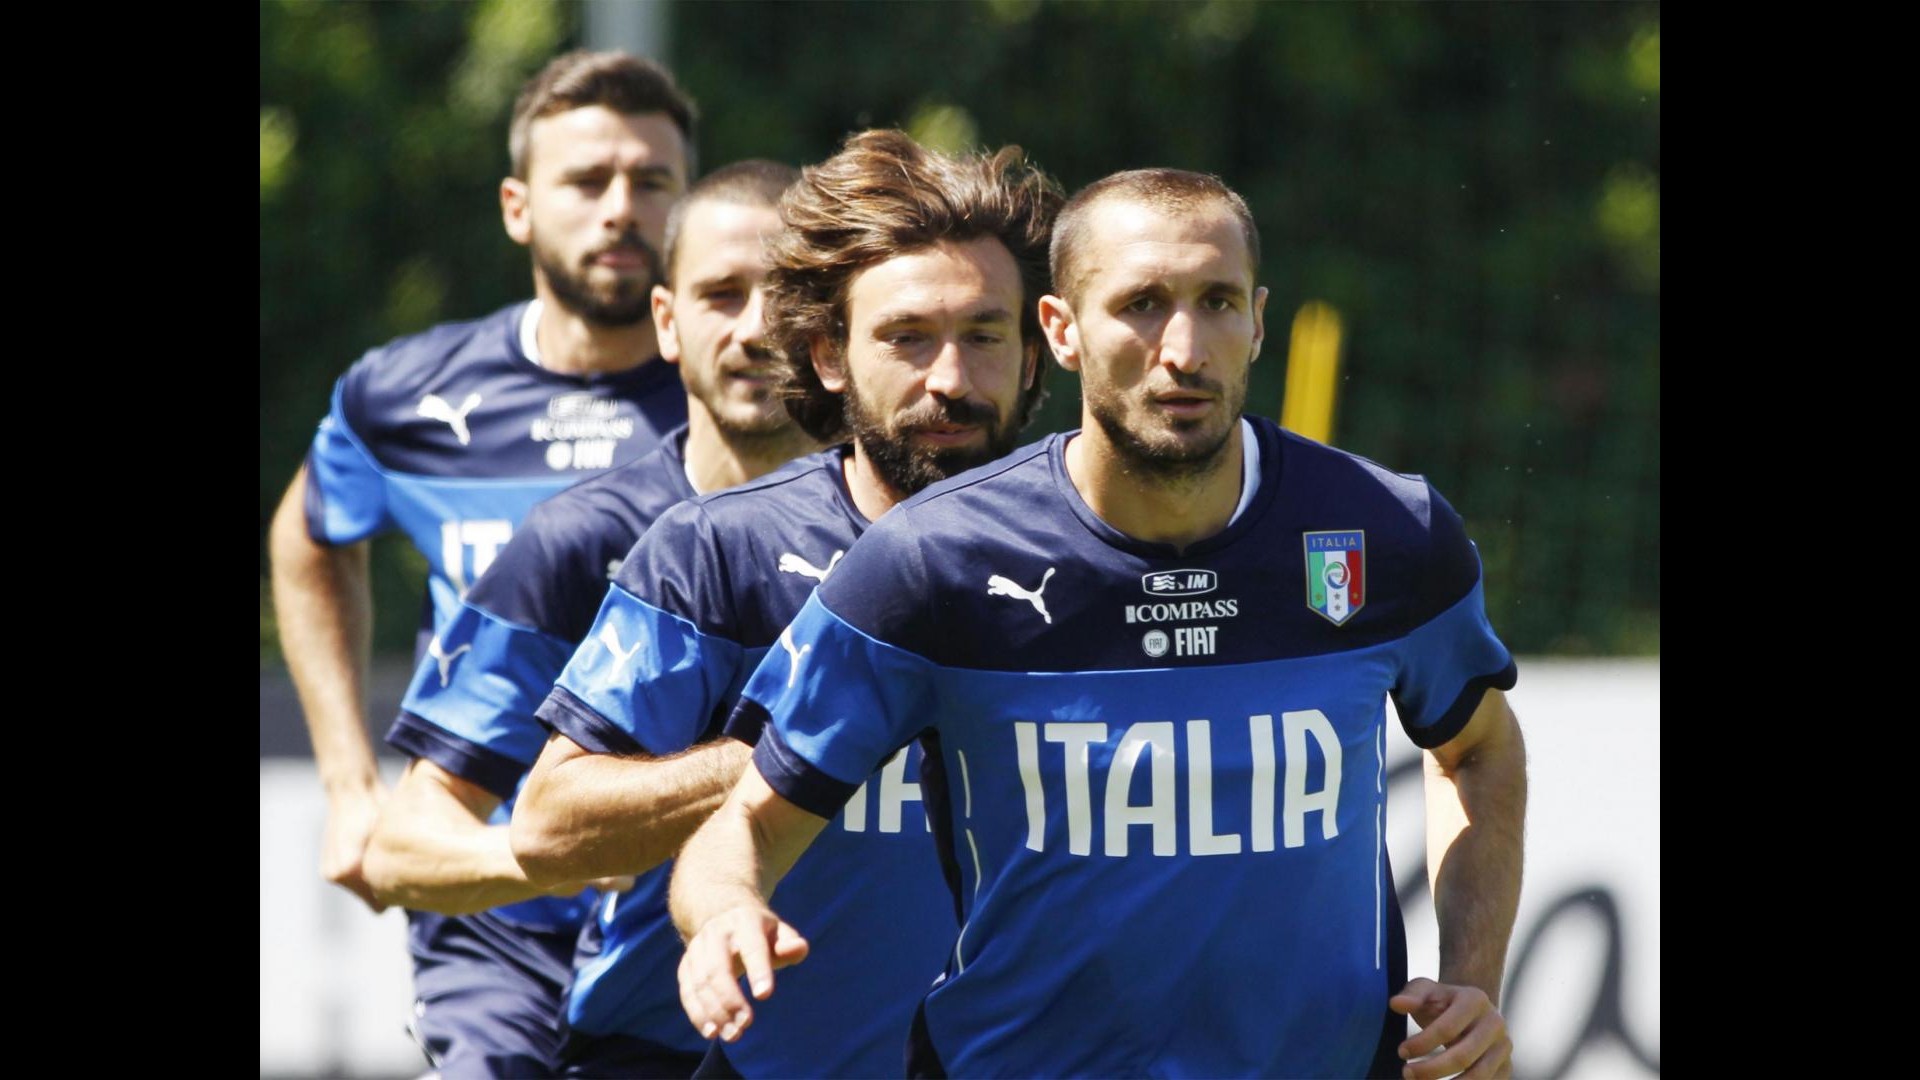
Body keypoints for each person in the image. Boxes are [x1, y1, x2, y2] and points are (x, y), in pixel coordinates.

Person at [670, 168, 1529, 1080]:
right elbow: (746, 829)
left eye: (1218, 302)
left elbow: (1478, 750)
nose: (1185, 349)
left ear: (1260, 322)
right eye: (1143, 306)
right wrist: (724, 910)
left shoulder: (1390, 533)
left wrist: (1473, 982)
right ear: (1061, 330)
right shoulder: (931, 561)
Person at [509, 129, 1062, 1077]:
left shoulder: (1088, 562)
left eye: (983, 336)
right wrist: (798, 751)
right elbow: (549, 826)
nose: (950, 381)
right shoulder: (719, 550)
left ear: (1035, 351)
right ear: (830, 355)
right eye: (907, 337)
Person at [265, 49, 698, 1077]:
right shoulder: (407, 396)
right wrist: (350, 787)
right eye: (588, 180)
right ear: (517, 206)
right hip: (486, 892)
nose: (620, 208)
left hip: (681, 896)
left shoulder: (740, 408)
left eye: (653, 181)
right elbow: (308, 542)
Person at [360, 160, 815, 1077]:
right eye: (721, 295)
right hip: (588, 1007)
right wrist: (569, 850)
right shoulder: (580, 538)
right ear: (665, 322)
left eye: (787, 295)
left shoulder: (914, 532)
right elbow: (403, 846)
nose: (757, 327)